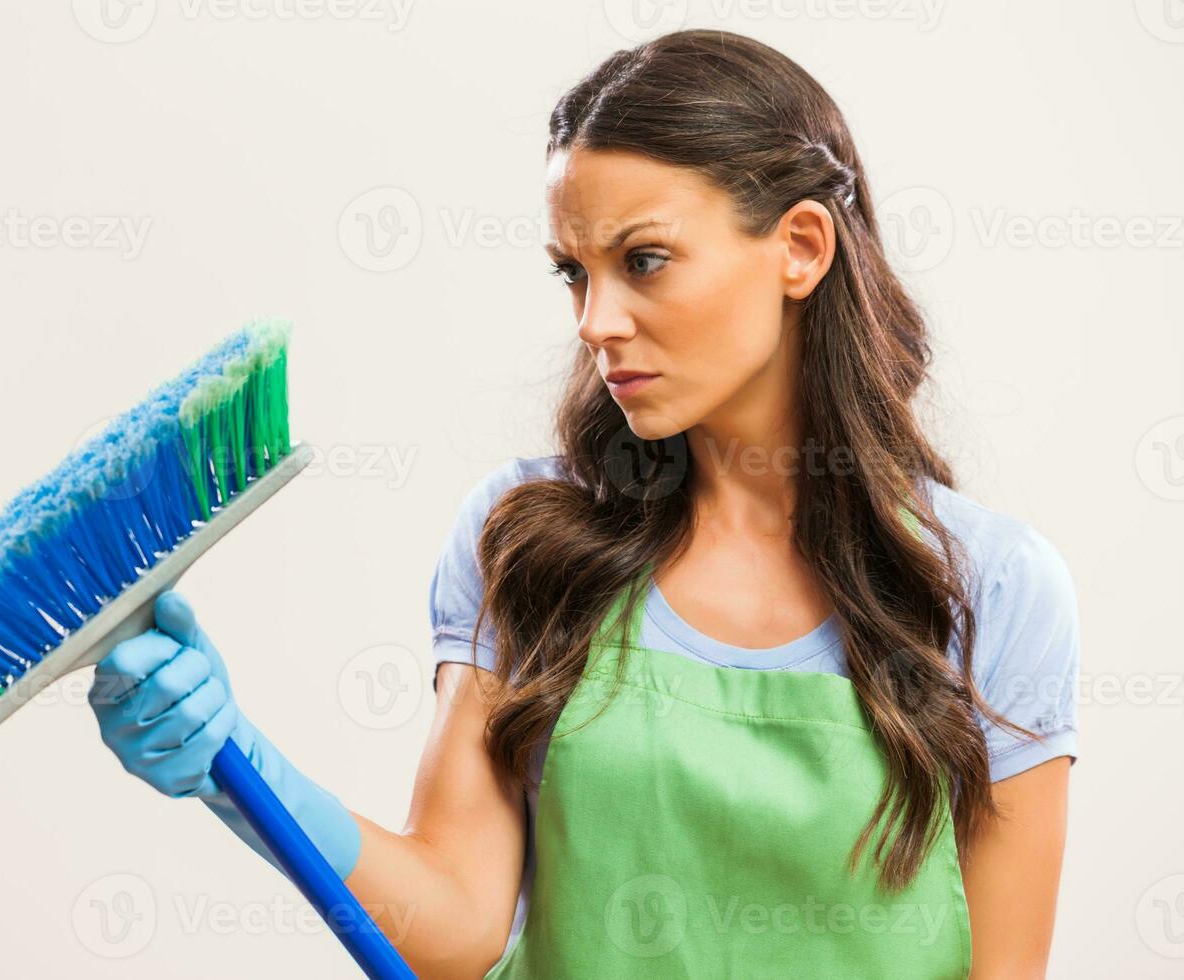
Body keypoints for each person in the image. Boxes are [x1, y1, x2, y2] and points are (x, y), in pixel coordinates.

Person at [87, 29, 1080, 979]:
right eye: (575, 273)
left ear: (802, 247)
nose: (597, 322)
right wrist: (234, 759)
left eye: (643, 260)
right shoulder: (526, 537)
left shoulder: (986, 588)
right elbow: (455, 927)